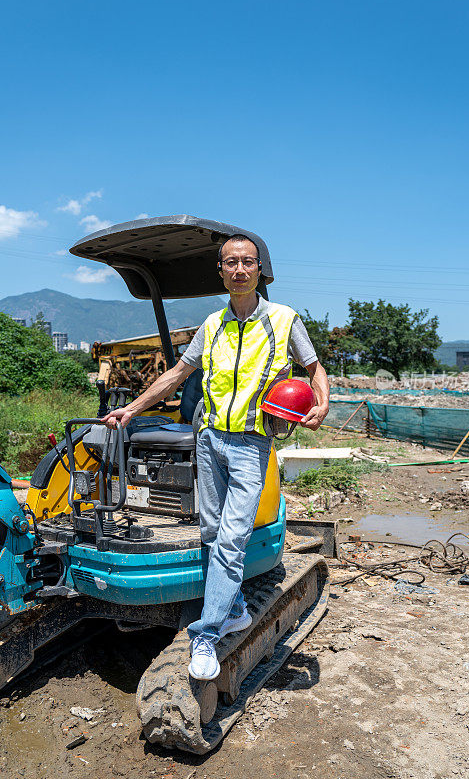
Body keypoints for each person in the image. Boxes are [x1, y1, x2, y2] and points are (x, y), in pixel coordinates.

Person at [102, 233, 330, 680]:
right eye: (231, 263)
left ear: (260, 269)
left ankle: (205, 635)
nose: (240, 270)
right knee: (210, 530)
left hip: (250, 444)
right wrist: (131, 408)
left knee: (231, 539)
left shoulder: (284, 320)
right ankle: (238, 607)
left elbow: (314, 368)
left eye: (248, 262)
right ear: (221, 271)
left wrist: (321, 402)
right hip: (207, 439)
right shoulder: (212, 325)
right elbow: (177, 375)